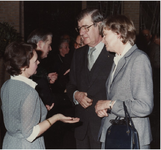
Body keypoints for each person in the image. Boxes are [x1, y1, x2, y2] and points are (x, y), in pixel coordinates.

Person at [1, 42, 80, 149]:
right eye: (35, 61)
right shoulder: (29, 92)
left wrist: (40, 109)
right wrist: (56, 118)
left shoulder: (6, 85)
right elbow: (30, 135)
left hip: (10, 143)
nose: (38, 62)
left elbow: (17, 114)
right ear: (24, 66)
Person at [95, 15, 154, 149]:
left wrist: (110, 104)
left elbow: (144, 106)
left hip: (132, 138)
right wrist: (105, 109)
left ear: (119, 34)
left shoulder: (139, 59)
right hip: (114, 135)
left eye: (105, 35)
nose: (103, 40)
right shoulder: (117, 59)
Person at [66, 8, 114, 149]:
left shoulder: (113, 54)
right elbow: (70, 85)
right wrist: (76, 95)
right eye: (79, 28)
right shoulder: (78, 54)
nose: (81, 33)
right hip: (81, 131)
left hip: (104, 129)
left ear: (99, 25)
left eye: (85, 27)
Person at [27, 28, 58, 110]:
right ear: (40, 44)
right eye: (49, 45)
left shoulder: (37, 66)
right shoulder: (28, 66)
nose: (50, 48)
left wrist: (47, 78)